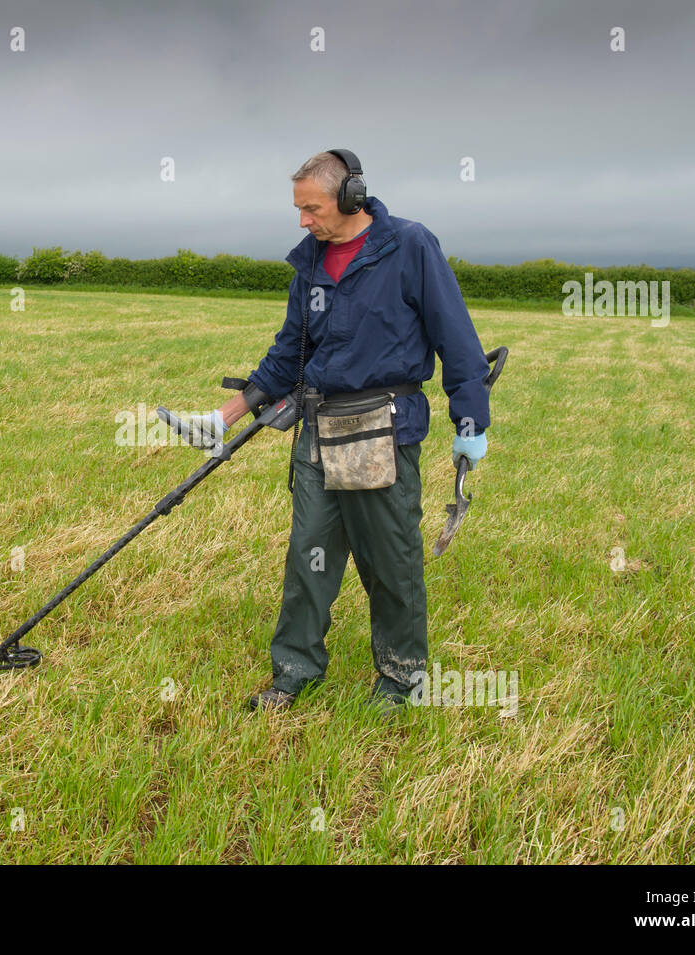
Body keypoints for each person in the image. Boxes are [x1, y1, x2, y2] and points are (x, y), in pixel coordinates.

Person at [179, 149, 492, 714]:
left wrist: (469, 423)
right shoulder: (312, 264)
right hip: (318, 433)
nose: (303, 221)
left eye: (311, 208)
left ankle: (400, 679)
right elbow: (286, 357)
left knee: (391, 561)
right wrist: (220, 419)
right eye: (298, 210)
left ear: (350, 197)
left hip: (382, 432)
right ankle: (295, 670)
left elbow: (459, 341)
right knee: (309, 557)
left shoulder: (408, 247)